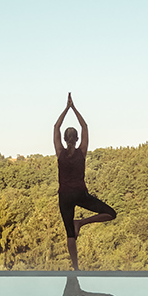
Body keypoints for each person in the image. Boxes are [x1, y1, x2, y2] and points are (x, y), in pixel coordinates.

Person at [54, 94, 116, 270]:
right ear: (77, 139)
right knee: (111, 213)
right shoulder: (82, 151)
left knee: (70, 234)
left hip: (65, 196)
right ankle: (81, 222)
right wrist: (74, 108)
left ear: (65, 140)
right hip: (81, 194)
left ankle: (76, 268)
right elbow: (85, 126)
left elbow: (56, 126)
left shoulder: (60, 152)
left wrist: (66, 108)